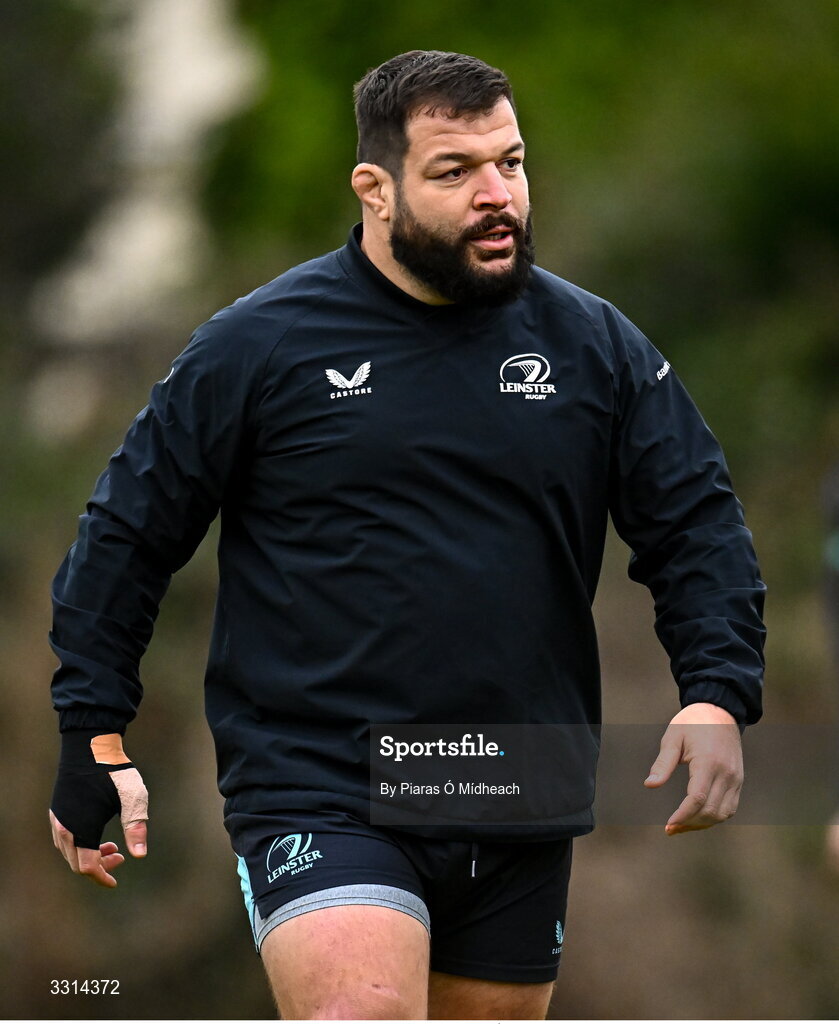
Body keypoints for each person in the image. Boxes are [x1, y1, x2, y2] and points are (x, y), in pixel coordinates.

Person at [49, 50, 766, 1020]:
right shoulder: (257, 348)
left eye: (509, 163)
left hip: (517, 779)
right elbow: (128, 533)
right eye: (454, 172)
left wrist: (716, 691)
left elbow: (693, 520)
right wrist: (92, 731)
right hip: (323, 781)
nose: (495, 194)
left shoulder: (591, 347)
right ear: (373, 190)